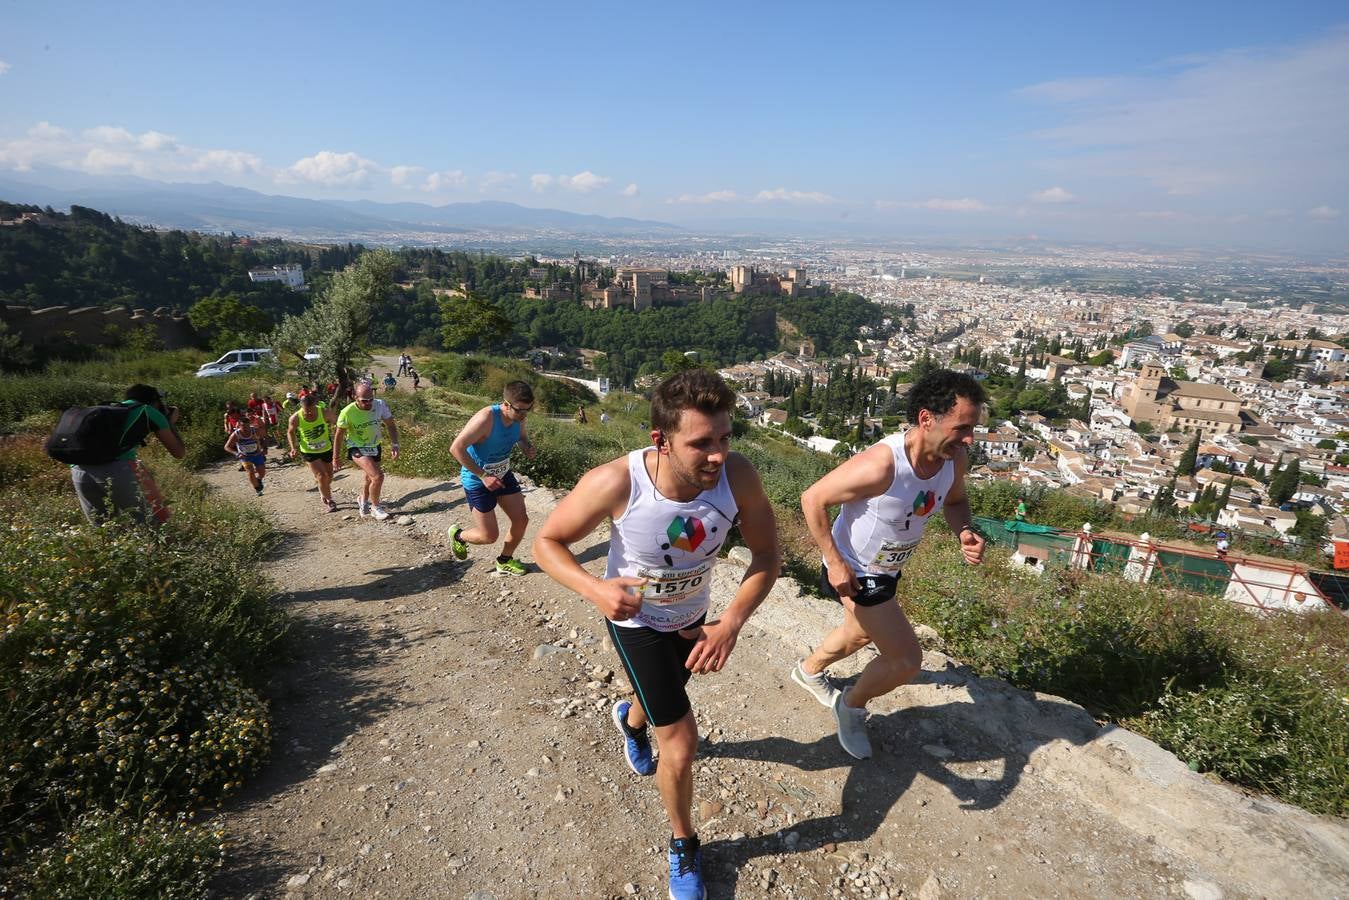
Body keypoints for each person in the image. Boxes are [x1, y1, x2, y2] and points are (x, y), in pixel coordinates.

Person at [533, 369, 779, 900]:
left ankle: (629, 716)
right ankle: (684, 844)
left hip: (694, 622)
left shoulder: (739, 477)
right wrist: (594, 589)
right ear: (660, 440)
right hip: (636, 623)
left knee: (661, 695)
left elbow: (767, 555)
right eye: (702, 444)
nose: (718, 455)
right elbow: (547, 542)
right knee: (683, 742)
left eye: (725, 438)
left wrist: (730, 622)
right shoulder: (617, 483)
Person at [791, 369, 987, 760]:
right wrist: (834, 563)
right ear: (927, 418)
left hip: (887, 570)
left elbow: (953, 501)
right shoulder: (882, 465)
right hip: (854, 572)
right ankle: (851, 707)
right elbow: (812, 499)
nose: (969, 439)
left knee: (861, 633)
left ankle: (808, 671)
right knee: (905, 660)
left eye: (973, 429)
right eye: (962, 427)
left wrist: (964, 529)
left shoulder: (954, 459)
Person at [446, 381, 538, 576]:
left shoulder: (519, 417)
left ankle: (504, 561)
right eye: (521, 410)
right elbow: (456, 448)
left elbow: (520, 437)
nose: (524, 415)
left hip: (502, 474)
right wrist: (483, 476)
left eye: (528, 410)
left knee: (521, 520)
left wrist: (527, 447)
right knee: (488, 536)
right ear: (506, 404)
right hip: (477, 479)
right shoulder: (486, 418)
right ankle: (459, 535)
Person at [70, 384, 184, 526]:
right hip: (118, 469)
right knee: (150, 524)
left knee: (104, 529)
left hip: (79, 470)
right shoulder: (147, 411)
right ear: (155, 401)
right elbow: (178, 452)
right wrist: (169, 423)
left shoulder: (107, 411)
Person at [332, 382, 400, 521]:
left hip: (375, 444)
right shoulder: (347, 412)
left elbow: (391, 425)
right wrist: (336, 458)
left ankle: (362, 500)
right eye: (364, 401)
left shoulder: (380, 404)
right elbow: (338, 436)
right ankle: (376, 508)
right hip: (356, 446)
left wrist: (395, 444)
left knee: (369, 478)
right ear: (355, 397)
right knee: (378, 476)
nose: (368, 403)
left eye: (371, 399)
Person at [287, 393, 339, 511]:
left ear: (315, 405)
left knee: (329, 476)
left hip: (326, 448)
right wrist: (293, 447)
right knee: (321, 475)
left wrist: (337, 430)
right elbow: (290, 432)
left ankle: (322, 490)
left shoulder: (324, 412)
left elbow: (337, 423)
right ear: (301, 406)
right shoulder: (295, 418)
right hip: (308, 450)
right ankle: (330, 501)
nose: (309, 413)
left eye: (311, 410)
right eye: (306, 411)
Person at [225, 415, 269, 496]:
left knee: (262, 473)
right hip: (245, 457)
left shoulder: (255, 431)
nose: (245, 428)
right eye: (243, 426)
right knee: (250, 472)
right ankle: (258, 489)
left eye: (247, 426)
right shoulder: (236, 434)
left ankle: (258, 480)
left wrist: (265, 448)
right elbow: (227, 447)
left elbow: (265, 437)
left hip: (257, 454)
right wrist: (237, 453)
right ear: (239, 425)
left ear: (250, 424)